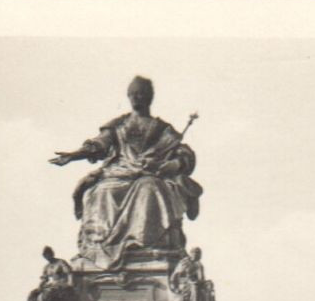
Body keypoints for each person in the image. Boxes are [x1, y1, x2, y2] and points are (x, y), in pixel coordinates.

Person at [50, 76, 202, 269]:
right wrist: (73, 155)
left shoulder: (162, 129)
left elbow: (183, 154)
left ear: (150, 97)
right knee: (102, 191)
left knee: (150, 189)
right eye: (132, 94)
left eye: (141, 94)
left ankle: (144, 246)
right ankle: (100, 249)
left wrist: (171, 165)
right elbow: (98, 145)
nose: (136, 98)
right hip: (119, 172)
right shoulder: (118, 125)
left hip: (150, 175)